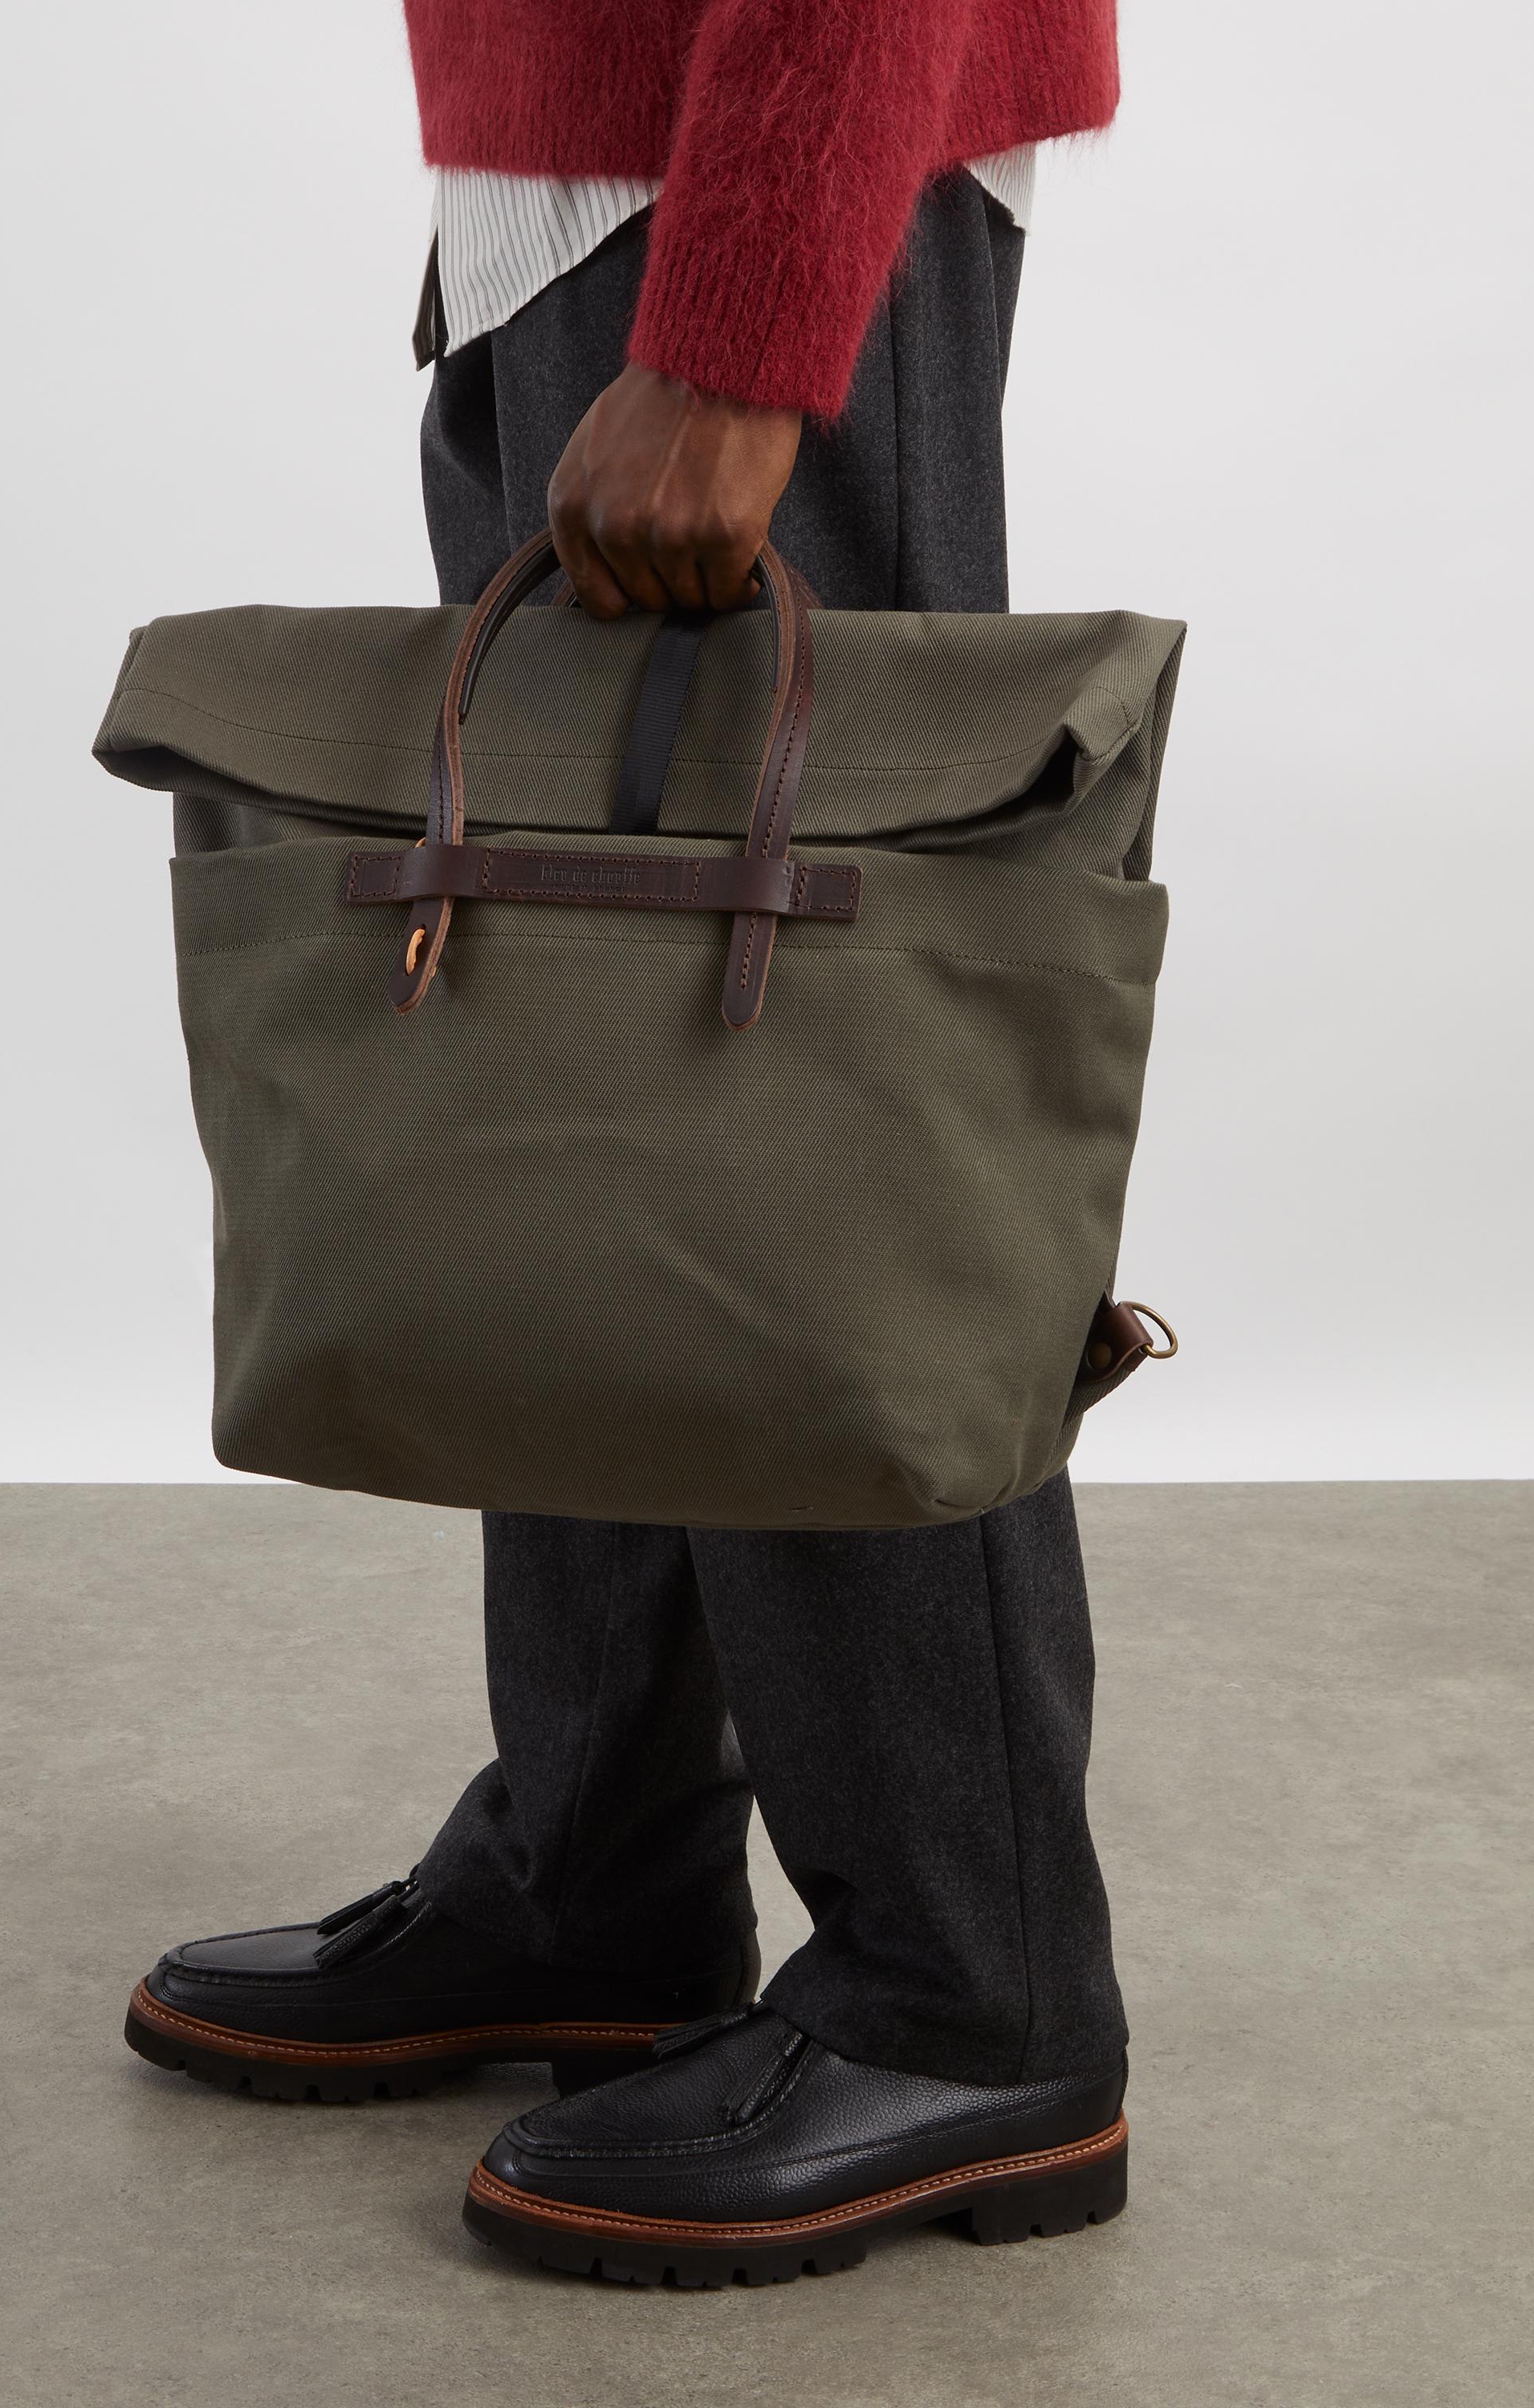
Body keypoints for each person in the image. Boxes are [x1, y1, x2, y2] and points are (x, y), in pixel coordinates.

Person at [125, 0, 1133, 2286]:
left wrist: (746, 332)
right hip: (582, 185)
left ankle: (972, 1997)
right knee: (586, 1062)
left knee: (819, 1110)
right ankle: (600, 1868)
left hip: (752, 172)